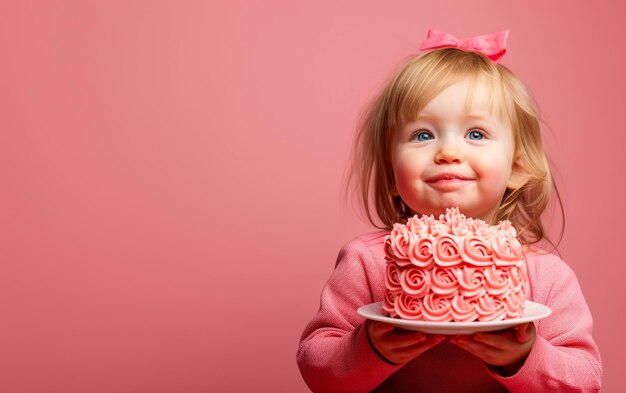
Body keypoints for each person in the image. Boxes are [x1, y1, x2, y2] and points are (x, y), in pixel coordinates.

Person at [296, 30, 602, 392]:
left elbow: (586, 380)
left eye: (475, 133)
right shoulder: (367, 262)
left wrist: (525, 356)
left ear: (517, 166)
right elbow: (317, 366)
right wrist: (368, 348)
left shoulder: (547, 275)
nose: (448, 152)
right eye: (423, 135)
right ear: (392, 173)